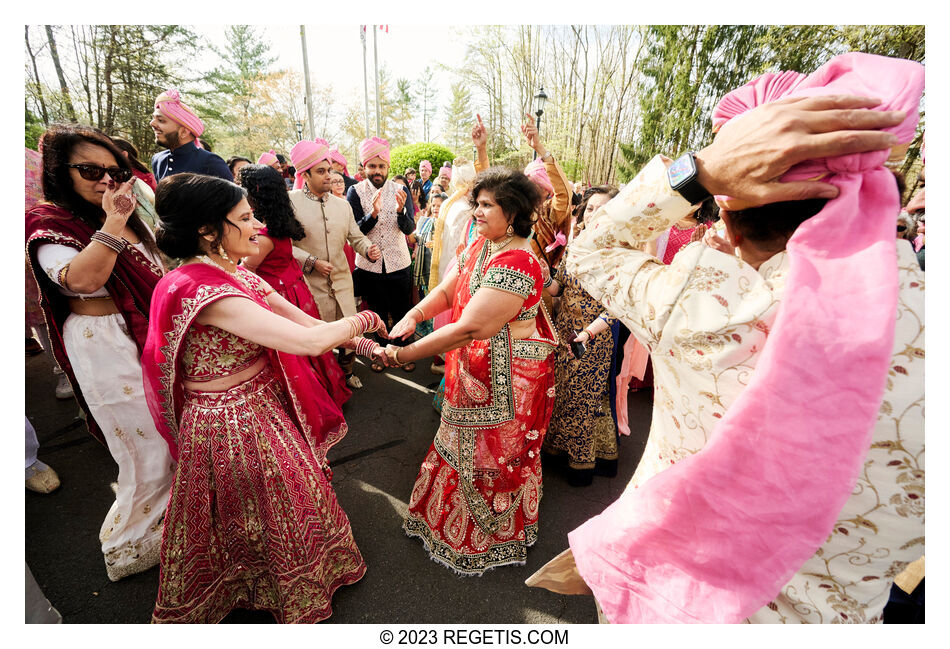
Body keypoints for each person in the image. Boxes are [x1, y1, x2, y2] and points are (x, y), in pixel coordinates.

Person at [526, 53, 924, 625]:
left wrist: (701, 169)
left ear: (728, 213)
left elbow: (592, 248)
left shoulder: (700, 300)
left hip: (666, 605)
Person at [143, 172, 389, 623]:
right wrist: (366, 320)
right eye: (245, 218)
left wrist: (373, 349)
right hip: (227, 421)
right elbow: (310, 344)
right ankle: (249, 584)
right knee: (252, 507)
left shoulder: (237, 276)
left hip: (262, 406)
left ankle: (287, 575)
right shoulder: (205, 291)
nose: (258, 227)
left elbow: (311, 327)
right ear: (207, 230)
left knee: (282, 499)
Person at [386, 167, 558, 575]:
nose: (476, 213)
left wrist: (401, 357)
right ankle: (445, 522)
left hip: (510, 380)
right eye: (475, 204)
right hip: (472, 370)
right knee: (458, 443)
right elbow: (448, 289)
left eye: (485, 206)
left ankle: (491, 536)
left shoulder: (516, 262)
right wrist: (415, 313)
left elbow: (470, 327)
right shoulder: (482, 245)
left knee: (498, 458)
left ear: (513, 212)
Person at [25, 123, 175, 581]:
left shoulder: (128, 213)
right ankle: (128, 544)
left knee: (171, 435)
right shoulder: (49, 223)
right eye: (91, 170)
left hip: (149, 332)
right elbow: (83, 280)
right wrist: (112, 222)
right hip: (103, 341)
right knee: (143, 446)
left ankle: (176, 523)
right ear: (60, 173)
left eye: (116, 170)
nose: (107, 180)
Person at [239, 163, 351, 406]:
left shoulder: (263, 237)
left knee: (294, 354)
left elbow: (246, 271)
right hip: (297, 291)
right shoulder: (281, 223)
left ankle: (311, 403)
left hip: (279, 297)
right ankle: (329, 393)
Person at [542, 186, 621, 486]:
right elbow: (560, 288)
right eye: (590, 208)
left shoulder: (618, 256)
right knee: (561, 394)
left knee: (583, 401)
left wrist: (587, 333)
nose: (595, 213)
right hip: (564, 333)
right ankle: (556, 453)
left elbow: (615, 308)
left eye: (603, 208)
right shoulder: (574, 247)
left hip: (593, 340)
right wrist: (543, 276)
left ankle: (581, 466)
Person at [288, 139, 382, 389]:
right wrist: (311, 261)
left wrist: (368, 249)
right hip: (309, 284)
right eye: (321, 171)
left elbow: (356, 236)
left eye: (329, 170)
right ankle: (321, 380)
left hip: (341, 281)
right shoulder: (290, 202)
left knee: (349, 332)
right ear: (304, 174)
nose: (329, 176)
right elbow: (281, 244)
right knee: (318, 336)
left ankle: (347, 372)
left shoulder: (342, 205)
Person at [346, 136, 417, 372]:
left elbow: (409, 229)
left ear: (388, 167)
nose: (377, 171)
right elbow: (353, 230)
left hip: (399, 262)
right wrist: (373, 215)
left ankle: (401, 353)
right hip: (369, 265)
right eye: (372, 166)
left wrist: (399, 212)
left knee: (401, 311)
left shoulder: (400, 189)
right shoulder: (354, 192)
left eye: (381, 166)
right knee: (376, 312)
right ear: (364, 167)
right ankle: (381, 353)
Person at [521, 114, 573, 275]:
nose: (526, 187)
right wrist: (481, 150)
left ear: (546, 189)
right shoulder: (515, 209)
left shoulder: (550, 211)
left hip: (539, 288)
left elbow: (564, 194)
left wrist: (540, 150)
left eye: (532, 183)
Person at [149, 89, 232, 181]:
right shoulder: (158, 160)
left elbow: (233, 195)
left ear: (184, 132)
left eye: (161, 120)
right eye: (153, 118)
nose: (152, 123)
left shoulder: (211, 163)